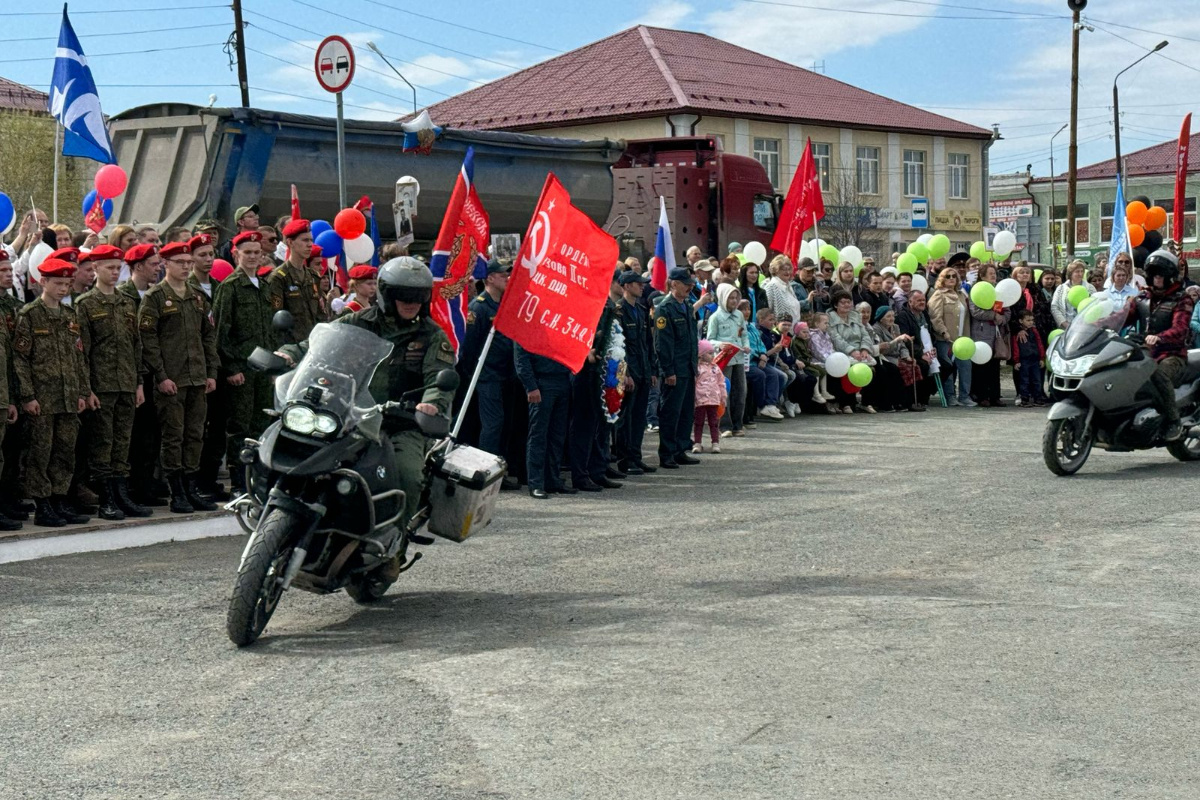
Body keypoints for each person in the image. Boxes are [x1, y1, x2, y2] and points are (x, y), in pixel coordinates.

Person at [279, 257, 458, 525]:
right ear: (386, 294)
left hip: (401, 423)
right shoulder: (358, 321)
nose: (411, 302)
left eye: (418, 296)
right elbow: (317, 345)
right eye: (403, 295)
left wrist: (431, 403)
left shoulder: (432, 335)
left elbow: (439, 378)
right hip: (350, 415)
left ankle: (394, 537)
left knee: (408, 475)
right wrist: (288, 354)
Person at [139, 241, 219, 513]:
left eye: (188, 262)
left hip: (197, 377)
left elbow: (208, 336)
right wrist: (161, 376)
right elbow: (148, 340)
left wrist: (211, 372)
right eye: (180, 262)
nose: (186, 267)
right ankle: (177, 491)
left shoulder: (197, 296)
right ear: (166, 264)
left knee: (195, 434)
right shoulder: (155, 297)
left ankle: (191, 487)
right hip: (171, 379)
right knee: (173, 436)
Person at [12, 258, 91, 527]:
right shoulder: (30, 315)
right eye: (58, 283)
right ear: (43, 282)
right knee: (40, 452)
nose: (63, 289)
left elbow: (78, 357)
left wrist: (82, 392)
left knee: (65, 450)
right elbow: (20, 359)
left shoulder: (70, 316)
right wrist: (28, 396)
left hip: (67, 396)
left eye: (67, 284)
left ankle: (59, 498)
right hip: (42, 397)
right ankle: (42, 504)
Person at [75, 245, 151, 521]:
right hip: (102, 385)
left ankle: (121, 495)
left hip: (126, 383)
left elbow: (136, 345)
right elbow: (81, 351)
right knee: (102, 443)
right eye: (109, 267)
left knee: (122, 442)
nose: (115, 272)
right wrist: (87, 389)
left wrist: (139, 383)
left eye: (118, 267)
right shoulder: (85, 304)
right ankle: (106, 498)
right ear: (95, 268)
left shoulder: (126, 302)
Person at [212, 231, 276, 495]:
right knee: (240, 426)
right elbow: (221, 332)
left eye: (256, 252)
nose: (252, 257)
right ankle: (239, 481)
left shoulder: (264, 286)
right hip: (241, 368)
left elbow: (270, 330)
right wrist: (231, 368)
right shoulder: (230, 287)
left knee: (262, 423)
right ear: (236, 254)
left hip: (262, 368)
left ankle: (259, 478)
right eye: (247, 252)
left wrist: (273, 366)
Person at [457, 260, 515, 479]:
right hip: (487, 375)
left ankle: (500, 470)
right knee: (493, 424)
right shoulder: (479, 307)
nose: (507, 279)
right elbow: (469, 348)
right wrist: (475, 376)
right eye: (502, 275)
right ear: (490, 278)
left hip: (505, 373)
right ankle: (487, 473)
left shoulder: (503, 304)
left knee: (504, 424)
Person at [1126, 249, 1194, 440]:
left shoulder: (1182, 299)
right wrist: (1099, 323)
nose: (1157, 277)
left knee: (1157, 374)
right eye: (1154, 273)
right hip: (1145, 351)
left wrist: (1159, 337)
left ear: (1170, 276)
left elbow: (1180, 329)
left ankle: (1173, 420)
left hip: (1172, 354)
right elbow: (1123, 317)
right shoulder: (1142, 297)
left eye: (1161, 274)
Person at [119, 243, 168, 506]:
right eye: (153, 264)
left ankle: (146, 482)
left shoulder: (156, 295)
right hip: (132, 374)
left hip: (153, 372)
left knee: (152, 432)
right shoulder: (123, 297)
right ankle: (134, 485)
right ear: (138, 267)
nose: (158, 268)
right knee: (135, 434)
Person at [654, 267, 701, 469]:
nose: (690, 287)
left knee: (685, 413)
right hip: (675, 370)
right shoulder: (664, 309)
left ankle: (680, 449)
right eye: (685, 284)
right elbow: (663, 344)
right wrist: (668, 371)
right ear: (674, 284)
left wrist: (694, 367)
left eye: (691, 284)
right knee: (671, 413)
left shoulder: (687, 305)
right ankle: (667, 453)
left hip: (687, 368)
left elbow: (691, 340)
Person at [613, 269, 657, 475]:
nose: (642, 286)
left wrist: (652, 370)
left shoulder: (641, 309)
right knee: (626, 418)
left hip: (643, 370)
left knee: (639, 418)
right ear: (626, 286)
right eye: (638, 283)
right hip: (629, 372)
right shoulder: (619, 310)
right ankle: (625, 460)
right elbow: (617, 347)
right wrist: (626, 374)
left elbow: (648, 343)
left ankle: (636, 457)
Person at [0, 253, 26, 525]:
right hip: (2, 387)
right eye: (3, 270)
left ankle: (8, 498)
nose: (9, 274)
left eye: (10, 270)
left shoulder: (15, 306)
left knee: (12, 448)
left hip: (13, 385)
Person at [265, 219, 321, 343]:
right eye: (305, 240)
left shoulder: (313, 276)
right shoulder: (279, 278)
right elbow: (275, 317)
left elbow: (320, 314)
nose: (310, 245)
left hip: (314, 343)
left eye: (311, 240)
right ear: (290, 242)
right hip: (292, 346)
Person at [706, 283, 748, 436]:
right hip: (724, 359)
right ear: (723, 298)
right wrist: (719, 344)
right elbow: (709, 340)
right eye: (731, 298)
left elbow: (743, 334)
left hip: (739, 358)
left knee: (740, 391)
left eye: (736, 298)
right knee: (724, 392)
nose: (734, 301)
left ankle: (738, 425)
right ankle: (724, 426)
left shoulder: (739, 315)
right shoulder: (715, 318)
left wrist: (746, 345)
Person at [928, 267, 974, 407]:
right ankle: (950, 396)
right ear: (942, 279)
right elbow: (935, 317)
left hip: (962, 339)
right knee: (948, 368)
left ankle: (965, 396)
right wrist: (943, 332)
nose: (951, 278)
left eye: (954, 276)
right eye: (948, 276)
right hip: (946, 339)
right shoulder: (938, 295)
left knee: (965, 366)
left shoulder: (961, 294)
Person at [827, 289, 877, 414]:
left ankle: (866, 403)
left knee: (874, 370)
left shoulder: (856, 316)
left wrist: (864, 349)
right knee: (846, 369)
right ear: (836, 305)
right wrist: (852, 351)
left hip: (859, 351)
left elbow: (865, 335)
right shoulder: (830, 319)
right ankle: (846, 403)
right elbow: (836, 339)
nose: (846, 305)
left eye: (848, 302)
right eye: (843, 302)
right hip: (840, 352)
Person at [968, 263, 1010, 407]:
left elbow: (1007, 310)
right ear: (982, 275)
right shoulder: (976, 290)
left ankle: (995, 396)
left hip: (997, 333)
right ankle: (981, 396)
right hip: (981, 333)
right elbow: (975, 311)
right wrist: (993, 315)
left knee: (994, 366)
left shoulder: (998, 291)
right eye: (990, 273)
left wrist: (1002, 318)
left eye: (994, 273)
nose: (993, 276)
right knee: (982, 366)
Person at [896, 289, 937, 408]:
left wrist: (933, 347)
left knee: (946, 366)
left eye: (923, 300)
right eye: (919, 300)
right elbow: (907, 341)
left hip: (927, 350)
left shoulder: (924, 315)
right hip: (911, 352)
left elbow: (930, 334)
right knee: (923, 365)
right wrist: (921, 354)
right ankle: (918, 399)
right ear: (910, 302)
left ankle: (926, 395)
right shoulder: (903, 316)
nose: (922, 302)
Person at [871, 307, 917, 412]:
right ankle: (894, 401)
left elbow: (902, 346)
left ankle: (908, 401)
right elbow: (883, 349)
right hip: (885, 357)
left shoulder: (895, 327)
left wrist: (906, 356)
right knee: (894, 370)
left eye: (892, 316)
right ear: (881, 318)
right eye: (888, 316)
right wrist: (896, 340)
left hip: (897, 356)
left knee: (913, 366)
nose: (892, 318)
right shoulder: (876, 329)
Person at [692, 340, 726, 454]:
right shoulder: (697, 368)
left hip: (713, 399)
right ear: (701, 355)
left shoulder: (715, 368)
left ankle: (715, 443)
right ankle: (697, 443)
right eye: (710, 353)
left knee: (714, 422)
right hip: (700, 400)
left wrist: (723, 396)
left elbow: (721, 382)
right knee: (698, 422)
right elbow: (694, 383)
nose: (713, 355)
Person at [1011, 310, 1048, 407]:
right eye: (1028, 320)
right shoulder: (1017, 333)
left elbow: (1039, 344)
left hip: (1035, 359)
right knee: (1024, 380)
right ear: (1021, 321)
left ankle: (1037, 398)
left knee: (1037, 380)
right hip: (1024, 360)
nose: (1031, 322)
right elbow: (1015, 347)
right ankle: (1024, 399)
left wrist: (1042, 358)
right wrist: (1016, 360)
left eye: (1032, 320)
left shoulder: (1035, 331)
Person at [1052, 260, 1094, 329]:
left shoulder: (1090, 288)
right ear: (1070, 274)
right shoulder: (1061, 288)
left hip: (1086, 327)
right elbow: (1054, 307)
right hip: (1066, 327)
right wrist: (1064, 323)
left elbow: (1095, 305)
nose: (1080, 274)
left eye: (1082, 271)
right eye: (1077, 271)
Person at [765, 255, 802, 323]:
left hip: (793, 328)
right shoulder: (771, 287)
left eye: (789, 269)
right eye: (784, 270)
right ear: (776, 270)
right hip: (780, 328)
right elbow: (767, 312)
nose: (787, 272)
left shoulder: (789, 286)